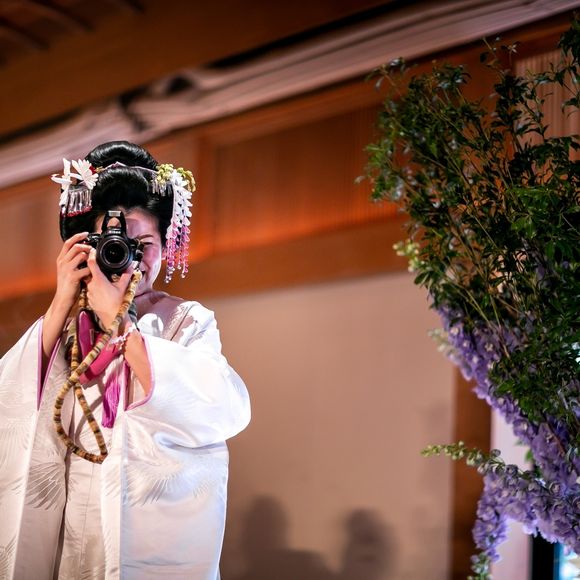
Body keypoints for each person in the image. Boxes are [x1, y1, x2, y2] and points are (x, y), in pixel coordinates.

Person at [0, 141, 251, 579]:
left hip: (141, 534)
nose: (129, 257)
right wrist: (61, 303)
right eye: (113, 244)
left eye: (145, 243)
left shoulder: (185, 321)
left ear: (166, 244)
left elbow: (222, 407)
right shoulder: (62, 326)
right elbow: (11, 402)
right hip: (64, 534)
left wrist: (120, 325)